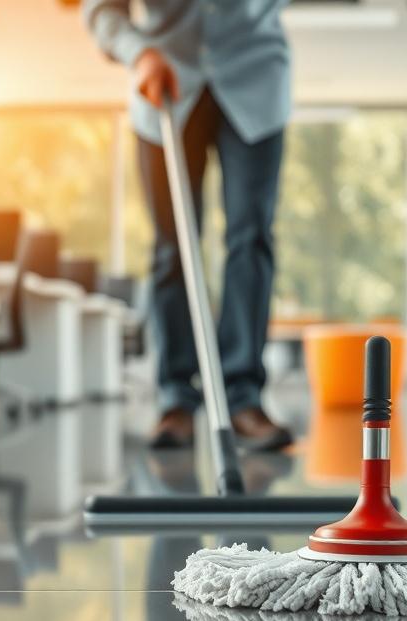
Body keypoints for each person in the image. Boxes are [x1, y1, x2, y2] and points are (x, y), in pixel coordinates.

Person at [84, 0, 294, 452]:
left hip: (255, 77)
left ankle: (243, 397)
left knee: (250, 239)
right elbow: (102, 9)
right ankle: (176, 397)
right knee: (171, 247)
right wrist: (138, 52)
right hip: (163, 82)